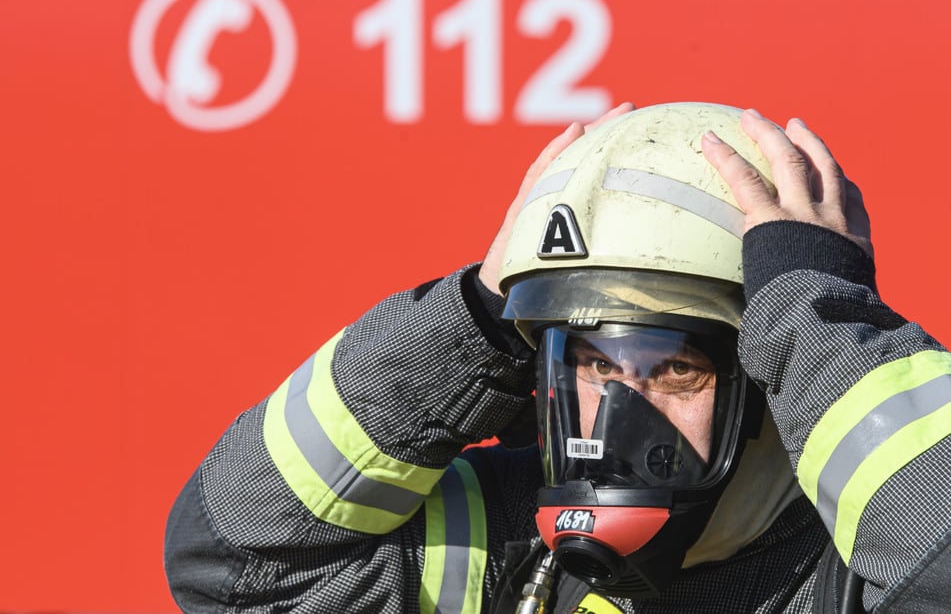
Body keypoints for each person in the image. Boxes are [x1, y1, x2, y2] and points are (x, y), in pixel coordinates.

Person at [164, 102, 951, 613]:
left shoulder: (858, 570)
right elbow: (236, 562)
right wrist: (473, 320)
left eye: (675, 370)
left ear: (767, 379)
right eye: (595, 367)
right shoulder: (505, 546)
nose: (616, 420)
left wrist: (817, 320)